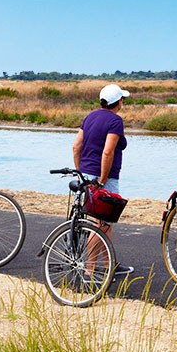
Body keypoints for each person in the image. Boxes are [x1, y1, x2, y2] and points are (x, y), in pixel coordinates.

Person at [72, 83, 133, 278]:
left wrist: (81, 171)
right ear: (118, 102)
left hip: (87, 173)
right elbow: (108, 151)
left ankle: (109, 266)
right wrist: (102, 179)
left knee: (105, 222)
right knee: (99, 223)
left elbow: (76, 147)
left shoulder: (90, 117)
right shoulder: (115, 121)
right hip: (105, 176)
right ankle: (89, 269)